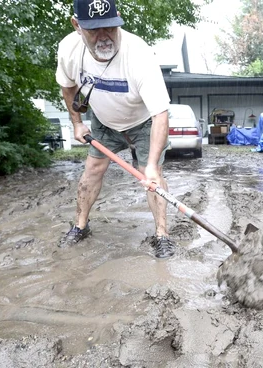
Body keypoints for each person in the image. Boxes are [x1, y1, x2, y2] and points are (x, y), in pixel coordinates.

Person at [55, 0, 176, 258]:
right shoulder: (69, 50)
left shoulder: (139, 54)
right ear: (77, 25)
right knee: (92, 170)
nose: (103, 37)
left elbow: (160, 114)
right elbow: (68, 87)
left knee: (151, 176)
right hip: (104, 122)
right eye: (93, 30)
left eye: (109, 27)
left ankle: (162, 235)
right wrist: (77, 123)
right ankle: (80, 226)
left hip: (144, 123)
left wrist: (152, 165)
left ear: (118, 18)